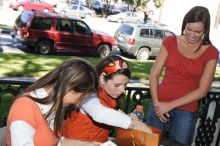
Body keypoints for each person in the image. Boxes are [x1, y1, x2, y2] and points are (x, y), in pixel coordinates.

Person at [146, 6, 219, 145]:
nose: (191, 34)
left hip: (186, 111)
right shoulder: (170, 41)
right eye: (188, 29)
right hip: (159, 104)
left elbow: (203, 91)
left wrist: (169, 105)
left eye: (198, 31)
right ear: (184, 25)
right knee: (149, 144)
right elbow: (154, 74)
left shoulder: (212, 52)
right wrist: (157, 105)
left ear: (206, 30)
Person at [6, 58, 101, 146]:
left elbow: (55, 142)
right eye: (81, 98)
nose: (77, 103)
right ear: (70, 89)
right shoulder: (24, 108)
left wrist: (87, 144)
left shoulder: (54, 103)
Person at [63, 55, 152, 143]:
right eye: (117, 85)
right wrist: (132, 123)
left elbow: (112, 116)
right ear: (102, 78)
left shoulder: (110, 95)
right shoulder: (88, 92)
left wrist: (127, 117)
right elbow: (99, 114)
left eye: (125, 85)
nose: (122, 90)